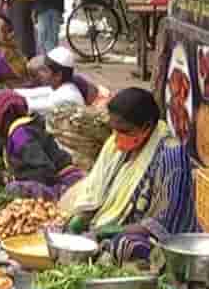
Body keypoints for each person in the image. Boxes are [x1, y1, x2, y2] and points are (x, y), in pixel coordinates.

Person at [61, 88, 200, 265]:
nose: (116, 137)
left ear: (146, 127)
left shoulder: (171, 155)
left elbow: (163, 223)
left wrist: (106, 232)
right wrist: (80, 219)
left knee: (125, 246)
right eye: (114, 129)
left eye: (124, 130)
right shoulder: (117, 144)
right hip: (111, 225)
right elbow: (96, 192)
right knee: (67, 228)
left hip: (161, 240)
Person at [0, 90, 85, 201]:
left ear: (3, 115)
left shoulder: (20, 135)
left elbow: (44, 171)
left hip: (64, 183)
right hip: (59, 179)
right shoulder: (19, 129)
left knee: (13, 188)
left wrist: (15, 180)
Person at [15, 46, 85, 116]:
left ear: (58, 75)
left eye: (45, 70)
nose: (40, 73)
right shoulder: (60, 87)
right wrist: (12, 92)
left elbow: (30, 105)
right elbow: (33, 92)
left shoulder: (65, 97)